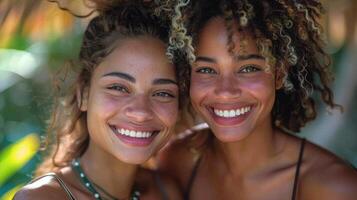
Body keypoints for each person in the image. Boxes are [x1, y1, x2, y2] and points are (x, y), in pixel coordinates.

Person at [156, 0, 357, 199]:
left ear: (279, 74)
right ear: (187, 76)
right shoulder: (178, 160)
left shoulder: (333, 187)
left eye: (248, 69)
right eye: (206, 70)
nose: (226, 91)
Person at [14, 1, 186, 199]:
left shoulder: (166, 190)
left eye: (162, 93)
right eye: (118, 88)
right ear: (84, 94)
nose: (141, 112)